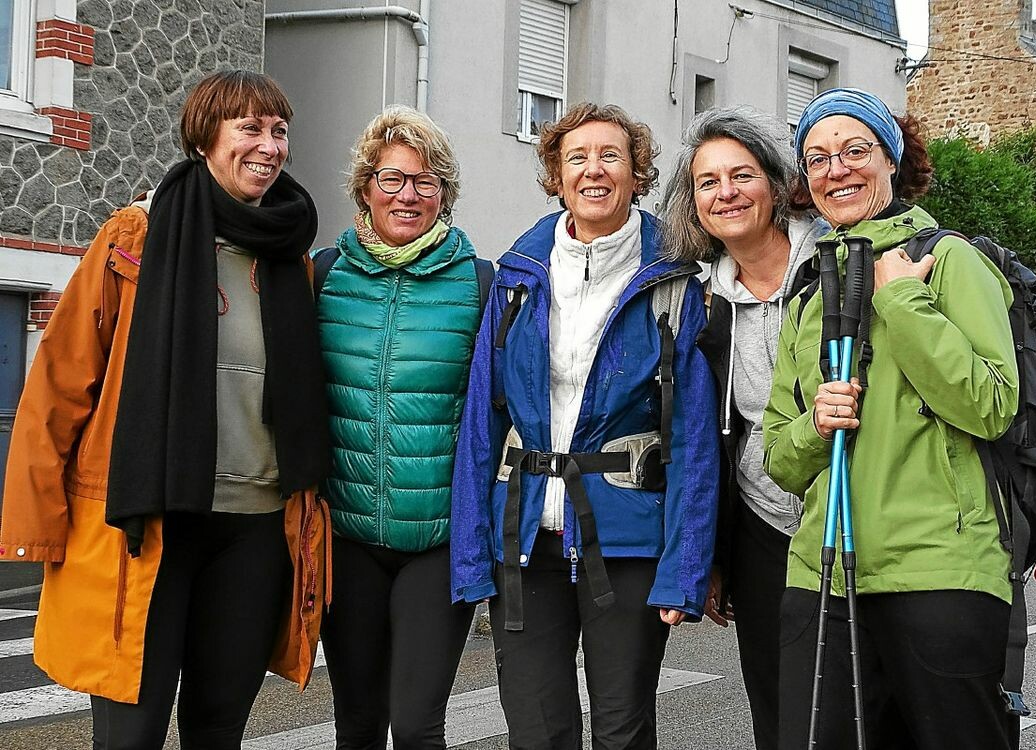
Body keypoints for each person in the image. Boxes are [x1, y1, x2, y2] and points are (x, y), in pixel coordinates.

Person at [0, 70, 330, 749]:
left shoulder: (290, 254)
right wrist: (37, 529)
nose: (269, 146)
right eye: (250, 129)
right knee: (132, 734)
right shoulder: (138, 235)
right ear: (205, 137)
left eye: (278, 131)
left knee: (218, 731)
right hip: (149, 525)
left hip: (256, 531)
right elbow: (60, 383)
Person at [450, 102, 719, 750]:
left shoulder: (674, 278)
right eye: (577, 157)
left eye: (610, 156)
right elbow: (482, 424)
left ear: (635, 172)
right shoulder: (519, 273)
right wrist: (472, 553)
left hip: (625, 541)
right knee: (535, 731)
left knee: (623, 730)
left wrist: (685, 570)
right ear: (556, 174)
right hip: (526, 539)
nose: (592, 170)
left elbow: (693, 442)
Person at [762, 87, 1020, 749]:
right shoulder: (807, 292)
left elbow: (991, 406)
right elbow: (778, 459)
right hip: (820, 577)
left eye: (855, 151)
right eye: (817, 159)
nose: (836, 169)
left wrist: (903, 302)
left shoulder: (952, 260)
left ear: (891, 160)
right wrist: (813, 427)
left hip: (940, 573)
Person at [314, 106, 484, 750]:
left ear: (444, 194)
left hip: (438, 540)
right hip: (347, 536)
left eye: (425, 180)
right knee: (356, 724)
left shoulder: (478, 281)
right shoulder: (325, 275)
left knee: (415, 726)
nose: (408, 194)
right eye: (392, 180)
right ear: (365, 190)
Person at [659, 105, 825, 750]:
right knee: (779, 706)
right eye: (707, 181)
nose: (726, 192)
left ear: (777, 184)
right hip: (762, 526)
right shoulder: (700, 303)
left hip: (854, 513)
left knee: (861, 702)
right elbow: (707, 438)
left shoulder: (836, 266)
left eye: (741, 174)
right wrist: (717, 555)